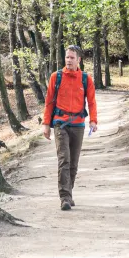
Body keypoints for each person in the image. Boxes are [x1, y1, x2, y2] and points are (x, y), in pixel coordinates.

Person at [42, 45, 98, 210]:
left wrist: (93, 120)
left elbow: (92, 101)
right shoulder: (56, 77)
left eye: (72, 57)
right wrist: (46, 124)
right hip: (60, 124)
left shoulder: (85, 79)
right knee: (64, 160)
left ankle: (69, 192)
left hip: (79, 125)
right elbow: (49, 102)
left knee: (73, 163)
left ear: (78, 59)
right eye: (67, 57)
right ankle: (65, 197)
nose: (69, 60)